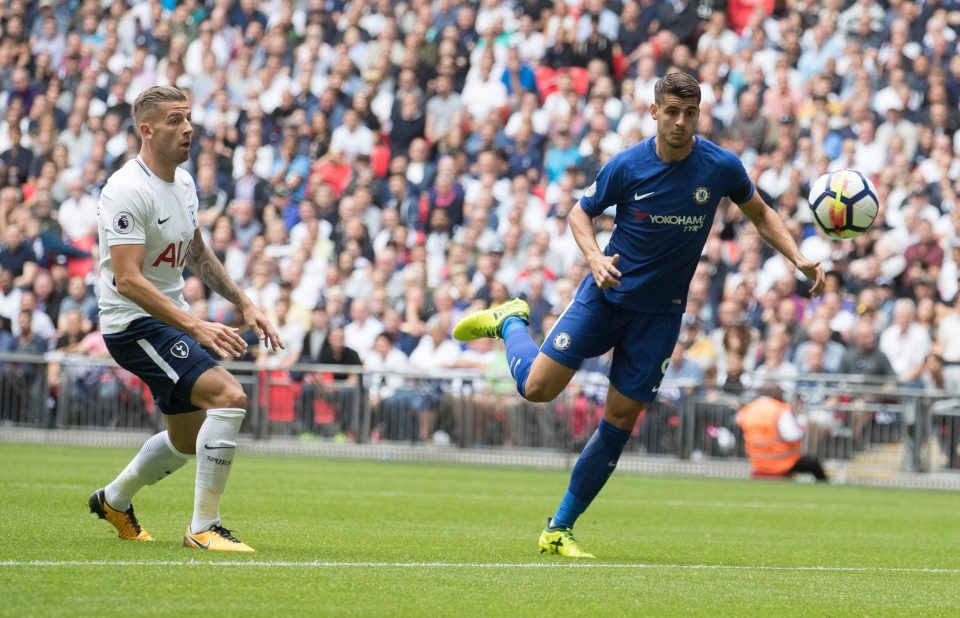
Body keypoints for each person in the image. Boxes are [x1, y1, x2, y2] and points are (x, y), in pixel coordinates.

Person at [453, 73, 825, 558]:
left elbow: (761, 213)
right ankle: (511, 321)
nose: (680, 122)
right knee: (537, 390)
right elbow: (579, 214)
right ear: (654, 112)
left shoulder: (720, 167)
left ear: (699, 115)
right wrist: (593, 258)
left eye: (689, 113)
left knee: (620, 421)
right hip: (604, 298)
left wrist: (797, 257)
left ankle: (559, 528)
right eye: (671, 111)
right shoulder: (627, 166)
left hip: (660, 317)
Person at [88, 86, 283, 553]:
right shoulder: (127, 189)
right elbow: (128, 280)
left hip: (167, 322)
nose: (189, 128)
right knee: (229, 396)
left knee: (186, 438)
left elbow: (195, 252)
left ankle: (114, 500)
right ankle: (204, 528)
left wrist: (245, 303)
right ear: (146, 129)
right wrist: (195, 325)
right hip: (133, 323)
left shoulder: (184, 183)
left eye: (189, 117)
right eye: (176, 119)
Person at [736, 384, 828, 482]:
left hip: (757, 460)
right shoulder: (780, 409)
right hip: (782, 461)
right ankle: (825, 486)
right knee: (813, 463)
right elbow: (792, 435)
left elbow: (739, 421)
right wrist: (801, 425)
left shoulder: (749, 408)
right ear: (777, 394)